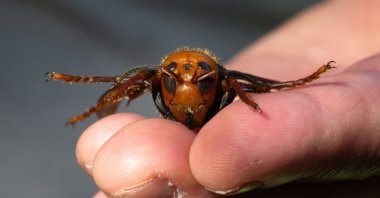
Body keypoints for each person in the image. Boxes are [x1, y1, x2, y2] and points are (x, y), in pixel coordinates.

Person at [76, 0, 380, 197]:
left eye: (200, 77)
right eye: (175, 77)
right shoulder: (154, 78)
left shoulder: (226, 80)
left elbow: (257, 83)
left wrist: (299, 84)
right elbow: (128, 81)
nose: (187, 85)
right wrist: (96, 91)